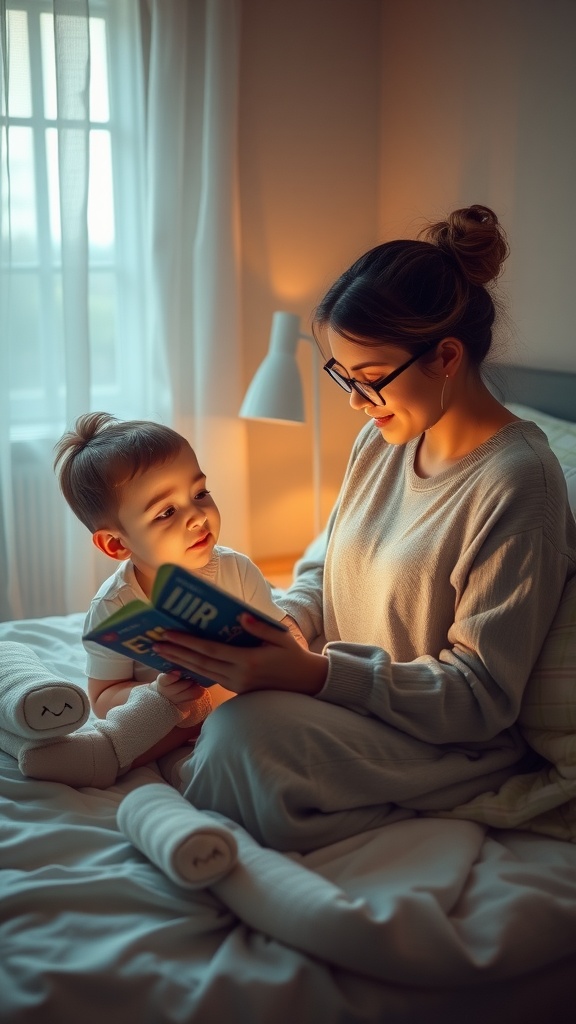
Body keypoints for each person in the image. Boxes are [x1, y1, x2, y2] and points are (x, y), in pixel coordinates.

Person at [147, 204, 576, 853]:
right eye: (343, 377)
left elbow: (480, 696)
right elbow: (325, 566)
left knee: (241, 742)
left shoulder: (520, 482)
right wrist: (285, 629)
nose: (354, 401)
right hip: (352, 702)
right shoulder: (383, 439)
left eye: (371, 380)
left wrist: (316, 676)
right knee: (209, 713)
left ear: (447, 356)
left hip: (446, 741)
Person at [0, 415, 300, 787]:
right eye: (166, 512)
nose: (196, 517)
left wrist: (294, 648)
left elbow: (280, 629)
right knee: (162, 721)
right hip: (173, 716)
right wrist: (158, 693)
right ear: (117, 544)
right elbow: (104, 698)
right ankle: (104, 756)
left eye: (200, 494)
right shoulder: (115, 606)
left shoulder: (236, 570)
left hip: (242, 700)